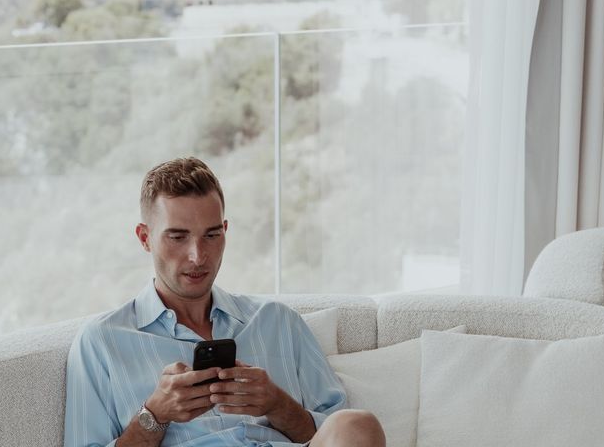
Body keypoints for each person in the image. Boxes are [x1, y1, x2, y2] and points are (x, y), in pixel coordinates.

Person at [64, 157, 385, 447]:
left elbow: (336, 435)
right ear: (145, 237)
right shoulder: (101, 342)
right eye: (178, 237)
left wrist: (277, 404)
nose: (198, 255)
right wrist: (155, 415)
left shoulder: (278, 322)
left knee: (356, 426)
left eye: (212, 235)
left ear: (226, 231)